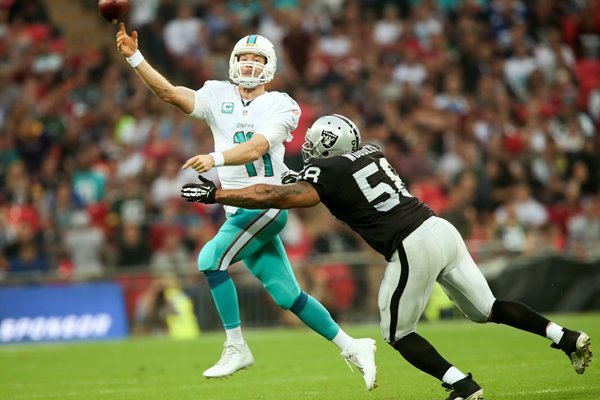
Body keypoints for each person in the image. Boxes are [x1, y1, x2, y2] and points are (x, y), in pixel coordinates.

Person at [181, 114, 593, 400]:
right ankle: (566, 338)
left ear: (326, 147)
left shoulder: (327, 172)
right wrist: (296, 179)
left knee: (396, 334)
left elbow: (280, 196)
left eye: (312, 145)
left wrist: (218, 193)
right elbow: (326, 183)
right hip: (440, 229)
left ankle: (462, 386)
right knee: (488, 308)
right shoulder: (371, 151)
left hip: (410, 244)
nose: (305, 149)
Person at [115, 27, 377, 388]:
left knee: (209, 259)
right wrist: (134, 57)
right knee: (287, 295)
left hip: (267, 201)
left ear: (270, 66)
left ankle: (236, 346)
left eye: (258, 59)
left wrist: (215, 157)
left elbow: (255, 148)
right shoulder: (216, 93)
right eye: (244, 58)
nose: (250, 65)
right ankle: (353, 345)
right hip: (239, 209)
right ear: (233, 61)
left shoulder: (281, 104)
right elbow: (170, 93)